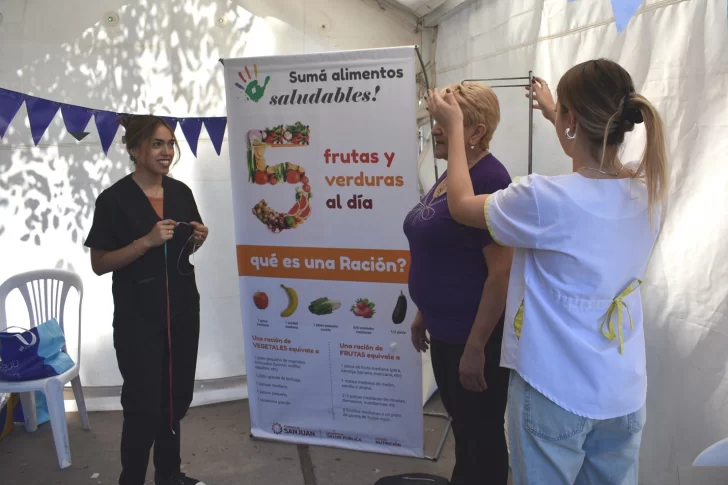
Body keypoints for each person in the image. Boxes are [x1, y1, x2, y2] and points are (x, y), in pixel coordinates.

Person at [426, 58, 668, 485]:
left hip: (556, 390)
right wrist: (558, 111)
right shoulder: (647, 192)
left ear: (573, 121)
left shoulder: (542, 199)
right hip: (623, 392)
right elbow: (594, 161)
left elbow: (462, 206)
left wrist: (457, 128)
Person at [84, 115, 209, 485]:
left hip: (183, 311)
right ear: (135, 148)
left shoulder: (181, 193)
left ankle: (169, 475)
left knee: (175, 399)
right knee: (143, 406)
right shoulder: (114, 200)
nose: (167, 151)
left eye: (170, 144)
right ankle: (132, 480)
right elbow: (99, 263)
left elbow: (184, 250)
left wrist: (197, 239)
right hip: (139, 319)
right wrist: (146, 242)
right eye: (157, 144)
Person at [404, 82, 514, 485]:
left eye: (447, 121)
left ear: (476, 131)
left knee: (480, 438)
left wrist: (476, 348)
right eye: (437, 119)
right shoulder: (454, 175)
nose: (435, 128)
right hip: (445, 331)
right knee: (467, 433)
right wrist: (423, 313)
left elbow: (500, 272)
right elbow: (444, 251)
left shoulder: (488, 179)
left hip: (473, 338)